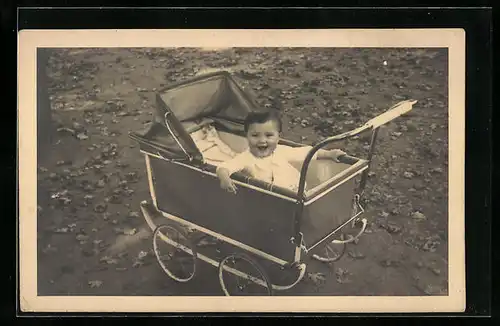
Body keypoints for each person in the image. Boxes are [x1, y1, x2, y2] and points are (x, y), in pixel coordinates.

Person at [216, 110, 346, 193]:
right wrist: (224, 178)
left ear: (279, 136)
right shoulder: (246, 158)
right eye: (255, 135)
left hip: (297, 190)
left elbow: (307, 153)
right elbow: (224, 167)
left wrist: (329, 154)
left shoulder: (282, 151)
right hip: (272, 198)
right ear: (246, 136)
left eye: (269, 135)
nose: (262, 141)